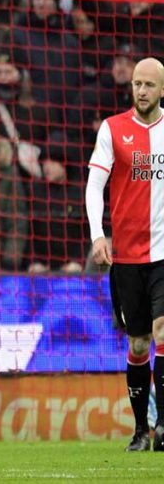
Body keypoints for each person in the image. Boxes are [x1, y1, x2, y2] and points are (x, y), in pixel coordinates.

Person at [86, 57, 164, 452]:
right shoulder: (113, 129)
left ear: (162, 89)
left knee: (162, 332)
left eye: (149, 84)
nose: (142, 90)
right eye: (137, 83)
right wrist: (98, 236)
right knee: (137, 345)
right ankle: (140, 430)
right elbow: (93, 185)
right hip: (127, 258)